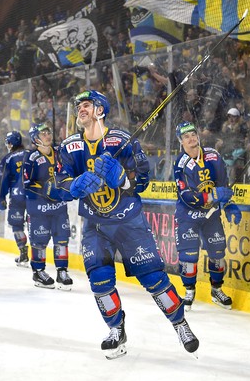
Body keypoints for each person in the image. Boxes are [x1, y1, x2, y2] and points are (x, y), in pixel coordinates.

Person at [51, 90, 199, 358]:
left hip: (129, 224)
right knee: (99, 281)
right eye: (78, 106)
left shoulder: (123, 141)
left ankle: (180, 324)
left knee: (154, 278)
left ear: (101, 110)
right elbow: (58, 186)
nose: (80, 109)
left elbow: (144, 180)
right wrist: (73, 185)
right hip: (95, 226)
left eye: (87, 104)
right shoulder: (70, 146)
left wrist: (124, 179)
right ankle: (116, 328)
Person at [174, 121, 242, 311]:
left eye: (193, 134)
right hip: (188, 215)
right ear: (181, 141)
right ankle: (188, 292)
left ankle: (216, 290)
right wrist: (213, 195)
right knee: (189, 255)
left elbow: (223, 185)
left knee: (218, 252)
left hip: (211, 215)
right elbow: (185, 196)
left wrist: (229, 205)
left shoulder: (213, 156)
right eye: (186, 136)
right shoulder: (180, 163)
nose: (191, 138)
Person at [22, 123, 73, 290]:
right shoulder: (31, 158)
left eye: (48, 132)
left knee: (62, 238)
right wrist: (46, 190)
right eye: (43, 133)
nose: (48, 135)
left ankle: (62, 271)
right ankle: (38, 272)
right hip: (39, 209)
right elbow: (27, 183)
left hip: (59, 207)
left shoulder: (59, 153)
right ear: (36, 138)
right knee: (39, 241)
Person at [0, 131, 30, 267]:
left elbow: (2, 179)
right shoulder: (31, 153)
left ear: (11, 143)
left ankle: (23, 253)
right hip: (35, 195)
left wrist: (0, 196)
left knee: (17, 225)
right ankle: (39, 255)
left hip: (17, 197)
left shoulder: (8, 159)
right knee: (36, 225)